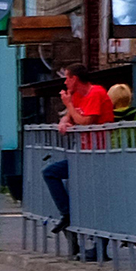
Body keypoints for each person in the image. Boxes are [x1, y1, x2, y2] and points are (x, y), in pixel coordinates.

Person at [43, 65, 111, 237]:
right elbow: (70, 117)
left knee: (94, 197)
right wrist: (64, 120)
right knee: (50, 172)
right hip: (83, 153)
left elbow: (86, 121)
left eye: (67, 78)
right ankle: (67, 213)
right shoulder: (77, 96)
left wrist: (69, 105)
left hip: (99, 152)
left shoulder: (95, 93)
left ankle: (96, 243)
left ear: (75, 78)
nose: (65, 82)